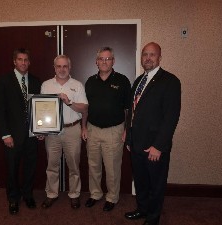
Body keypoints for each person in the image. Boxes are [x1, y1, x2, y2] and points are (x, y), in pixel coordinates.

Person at [124, 42, 181, 225]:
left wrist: (159, 146)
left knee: (156, 185)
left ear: (159, 58)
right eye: (145, 54)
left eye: (152, 54)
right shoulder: (139, 81)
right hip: (136, 143)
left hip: (154, 146)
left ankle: (153, 218)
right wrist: (128, 134)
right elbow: (132, 111)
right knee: (140, 181)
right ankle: (142, 209)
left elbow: (171, 117)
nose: (148, 58)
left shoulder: (170, 81)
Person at [0, 48, 41, 215]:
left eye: (26, 59)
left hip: (32, 135)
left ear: (29, 62)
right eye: (20, 59)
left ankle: (27, 195)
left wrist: (40, 129)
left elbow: (39, 109)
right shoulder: (3, 81)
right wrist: (5, 134)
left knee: (30, 167)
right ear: (14, 61)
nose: (23, 62)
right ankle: (13, 198)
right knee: (12, 169)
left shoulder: (36, 81)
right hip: (11, 136)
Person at [83, 47, 131, 211]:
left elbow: (128, 109)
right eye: (101, 59)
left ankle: (112, 197)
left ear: (113, 61)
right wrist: (83, 127)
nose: (104, 62)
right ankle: (95, 194)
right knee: (93, 165)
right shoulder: (90, 81)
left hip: (114, 130)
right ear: (96, 62)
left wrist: (127, 129)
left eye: (108, 58)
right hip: (92, 129)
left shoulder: (122, 81)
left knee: (112, 167)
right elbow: (85, 108)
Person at [40, 55, 88, 209]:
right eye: (58, 66)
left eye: (65, 66)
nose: (62, 69)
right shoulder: (46, 85)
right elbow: (41, 109)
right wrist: (40, 129)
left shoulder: (78, 85)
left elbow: (84, 108)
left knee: (74, 165)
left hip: (72, 129)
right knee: (52, 164)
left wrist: (69, 102)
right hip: (52, 132)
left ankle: (74, 194)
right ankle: (51, 193)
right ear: (54, 68)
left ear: (70, 67)